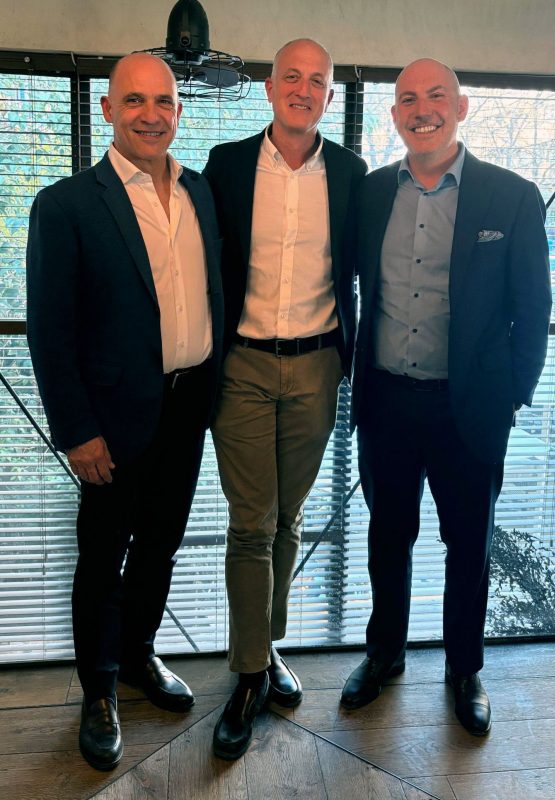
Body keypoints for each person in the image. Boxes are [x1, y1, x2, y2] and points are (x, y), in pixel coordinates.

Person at [340, 58, 551, 735]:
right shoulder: (372, 193)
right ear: (394, 114)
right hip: (388, 403)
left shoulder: (511, 196)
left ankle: (464, 669)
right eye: (408, 99)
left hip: (471, 409)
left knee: (468, 545)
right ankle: (385, 654)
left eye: (436, 96)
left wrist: (512, 395)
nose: (422, 109)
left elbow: (534, 308)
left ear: (461, 108)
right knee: (387, 537)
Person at [26, 53, 223, 770]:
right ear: (108, 110)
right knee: (103, 555)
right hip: (109, 421)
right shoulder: (67, 205)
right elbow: (50, 329)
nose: (150, 114)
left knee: (161, 545)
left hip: (188, 406)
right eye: (134, 100)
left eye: (163, 101)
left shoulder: (199, 192)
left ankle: (138, 654)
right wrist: (77, 429)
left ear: (179, 111)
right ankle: (100, 690)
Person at [203, 38, 367, 759]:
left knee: (288, 518)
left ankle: (265, 647)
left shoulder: (353, 174)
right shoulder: (227, 165)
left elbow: (369, 272)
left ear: (330, 96)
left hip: (318, 366)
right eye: (291, 77)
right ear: (270, 88)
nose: (303, 89)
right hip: (241, 364)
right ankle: (247, 677)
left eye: (317, 81)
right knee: (252, 520)